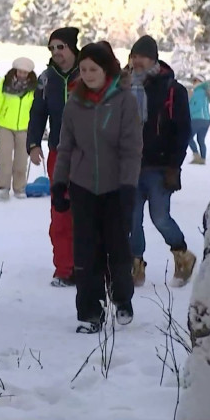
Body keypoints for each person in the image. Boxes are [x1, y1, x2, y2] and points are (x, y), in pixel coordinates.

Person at [51, 43, 142, 334]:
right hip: (83, 185)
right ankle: (90, 311)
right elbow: (65, 147)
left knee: (117, 247)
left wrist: (128, 186)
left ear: (107, 70)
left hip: (117, 186)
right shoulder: (74, 102)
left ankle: (122, 297)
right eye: (84, 69)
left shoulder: (125, 101)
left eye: (94, 69)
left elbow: (131, 149)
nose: (88, 74)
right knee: (86, 251)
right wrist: (59, 183)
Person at [127, 35, 197, 288]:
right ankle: (136, 265)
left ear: (153, 58)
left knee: (160, 217)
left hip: (159, 166)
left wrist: (174, 166)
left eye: (142, 56)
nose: (137, 61)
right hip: (130, 165)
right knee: (132, 219)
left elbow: (182, 130)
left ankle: (182, 255)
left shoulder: (172, 89)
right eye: (134, 56)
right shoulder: (124, 86)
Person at [27, 27, 81, 287]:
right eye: (51, 48)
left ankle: (92, 266)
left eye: (61, 47)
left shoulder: (88, 72)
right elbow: (37, 113)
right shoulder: (46, 78)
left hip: (89, 154)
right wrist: (33, 143)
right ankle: (64, 267)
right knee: (61, 210)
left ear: (72, 48)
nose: (56, 53)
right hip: (59, 153)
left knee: (89, 210)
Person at [0, 57, 37, 200]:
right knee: (5, 159)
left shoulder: (34, 87)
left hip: (24, 129)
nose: (21, 75)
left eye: (25, 73)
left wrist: (39, 127)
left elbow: (37, 109)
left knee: (21, 161)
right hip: (5, 126)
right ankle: (3, 187)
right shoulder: (5, 83)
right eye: (19, 71)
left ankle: (20, 188)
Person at [188, 74, 210, 165]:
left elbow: (196, 106)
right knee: (201, 140)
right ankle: (203, 158)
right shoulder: (205, 92)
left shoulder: (198, 92)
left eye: (195, 81)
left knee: (188, 137)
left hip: (197, 119)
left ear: (200, 82)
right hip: (206, 119)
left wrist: (186, 110)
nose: (193, 83)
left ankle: (196, 156)